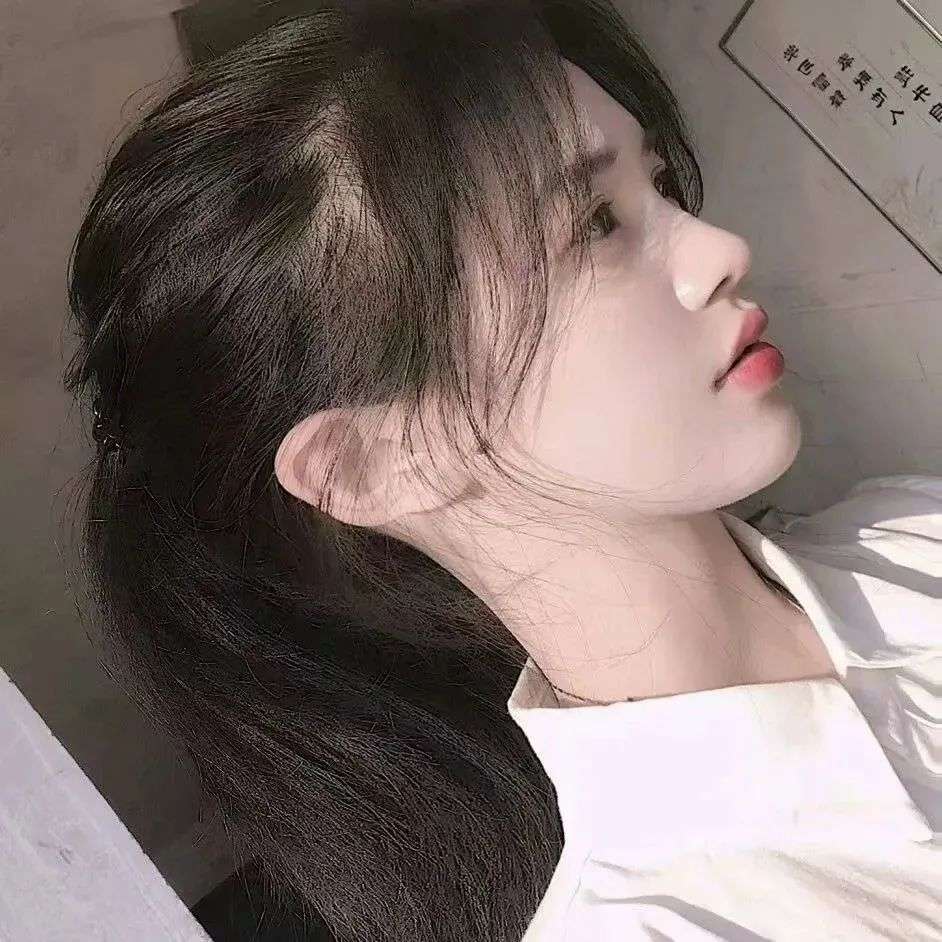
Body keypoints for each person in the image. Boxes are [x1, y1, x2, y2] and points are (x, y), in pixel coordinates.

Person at [61, 1, 942, 939]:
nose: (721, 250)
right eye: (595, 223)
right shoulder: (667, 922)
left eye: (658, 183)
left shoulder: (915, 535)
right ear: (375, 461)